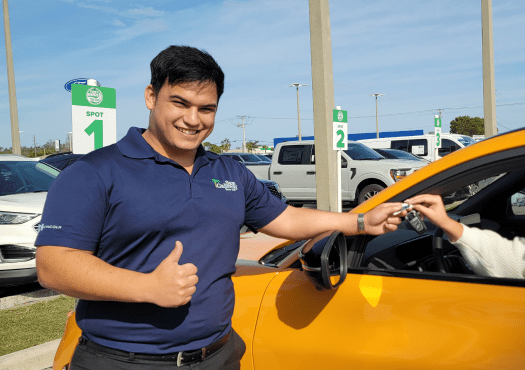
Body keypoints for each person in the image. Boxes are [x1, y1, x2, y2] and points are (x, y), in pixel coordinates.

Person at [35, 45, 408, 370]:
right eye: (179, 103)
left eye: (206, 108)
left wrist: (359, 220)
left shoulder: (227, 170)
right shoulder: (95, 172)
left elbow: (285, 217)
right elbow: (54, 265)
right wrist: (146, 286)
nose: (193, 119)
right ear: (151, 96)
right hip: (123, 360)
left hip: (218, 355)